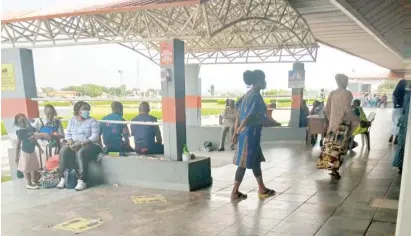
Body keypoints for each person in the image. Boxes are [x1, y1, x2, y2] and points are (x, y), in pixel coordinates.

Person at [231, 70, 275, 199]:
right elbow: (249, 116)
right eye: (264, 79)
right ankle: (234, 192)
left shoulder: (247, 95)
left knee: (256, 161)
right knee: (243, 163)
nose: (265, 82)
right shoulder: (256, 96)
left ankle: (261, 188)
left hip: (247, 134)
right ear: (258, 81)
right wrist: (239, 129)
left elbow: (238, 115)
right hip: (250, 134)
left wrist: (236, 131)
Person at [316, 74, 369, 178]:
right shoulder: (347, 94)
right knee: (340, 148)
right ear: (342, 81)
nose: (347, 82)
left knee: (330, 146)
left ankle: (331, 166)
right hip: (342, 126)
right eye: (346, 80)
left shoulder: (332, 93)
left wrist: (328, 122)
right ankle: (335, 168)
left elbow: (326, 110)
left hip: (332, 125)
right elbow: (348, 111)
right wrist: (360, 121)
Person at [57, 101, 101, 191]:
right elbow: (68, 134)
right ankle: (63, 178)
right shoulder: (72, 120)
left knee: (81, 151)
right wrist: (71, 144)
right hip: (75, 144)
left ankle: (82, 180)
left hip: (90, 145)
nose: (87, 111)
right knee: (63, 150)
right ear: (78, 110)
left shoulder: (92, 121)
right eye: (85, 109)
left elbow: (95, 136)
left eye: (88, 109)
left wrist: (81, 144)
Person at [14, 114, 42, 189]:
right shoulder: (20, 132)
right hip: (25, 153)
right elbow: (18, 145)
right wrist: (16, 156)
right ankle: (29, 183)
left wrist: (39, 147)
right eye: (20, 123)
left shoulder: (30, 129)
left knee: (34, 167)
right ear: (17, 124)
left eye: (23, 121)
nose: (22, 124)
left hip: (32, 151)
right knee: (26, 169)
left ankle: (34, 181)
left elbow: (34, 139)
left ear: (26, 120)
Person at [392, 84, 411, 174]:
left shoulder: (406, 95)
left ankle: (400, 165)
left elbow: (403, 109)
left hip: (405, 121)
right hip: (406, 122)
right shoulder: (407, 95)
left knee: (402, 144)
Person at [390, 79, 407, 144]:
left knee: (394, 123)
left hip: (394, 109)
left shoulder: (395, 92)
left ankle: (391, 137)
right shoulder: (404, 92)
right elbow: (404, 102)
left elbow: (395, 101)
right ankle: (396, 139)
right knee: (398, 124)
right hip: (400, 109)